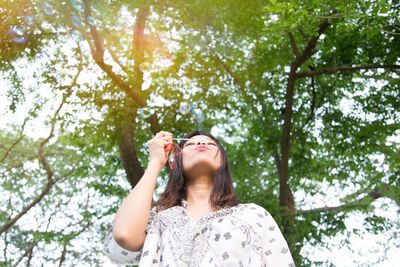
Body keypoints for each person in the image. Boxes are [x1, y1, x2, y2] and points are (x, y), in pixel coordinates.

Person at [103, 130, 295, 266]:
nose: (201, 144)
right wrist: (155, 162)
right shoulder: (158, 218)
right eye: (191, 144)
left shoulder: (252, 215)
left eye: (210, 144)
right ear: (175, 160)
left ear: (223, 162)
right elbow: (124, 235)